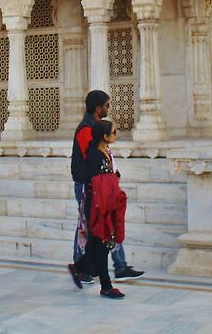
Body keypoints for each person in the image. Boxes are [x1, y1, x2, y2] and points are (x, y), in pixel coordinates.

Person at [69, 90, 145, 283]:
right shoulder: (86, 129)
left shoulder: (96, 126)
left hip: (103, 185)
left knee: (108, 224)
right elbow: (92, 160)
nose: (108, 109)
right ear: (98, 107)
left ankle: (119, 266)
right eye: (107, 105)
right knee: (87, 226)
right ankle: (81, 267)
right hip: (90, 187)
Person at [68, 119, 127, 299]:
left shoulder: (105, 152)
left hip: (105, 203)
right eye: (114, 132)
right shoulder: (94, 155)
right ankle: (106, 286)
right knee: (101, 243)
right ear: (104, 136)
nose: (116, 134)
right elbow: (91, 180)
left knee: (97, 243)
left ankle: (79, 267)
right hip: (96, 205)